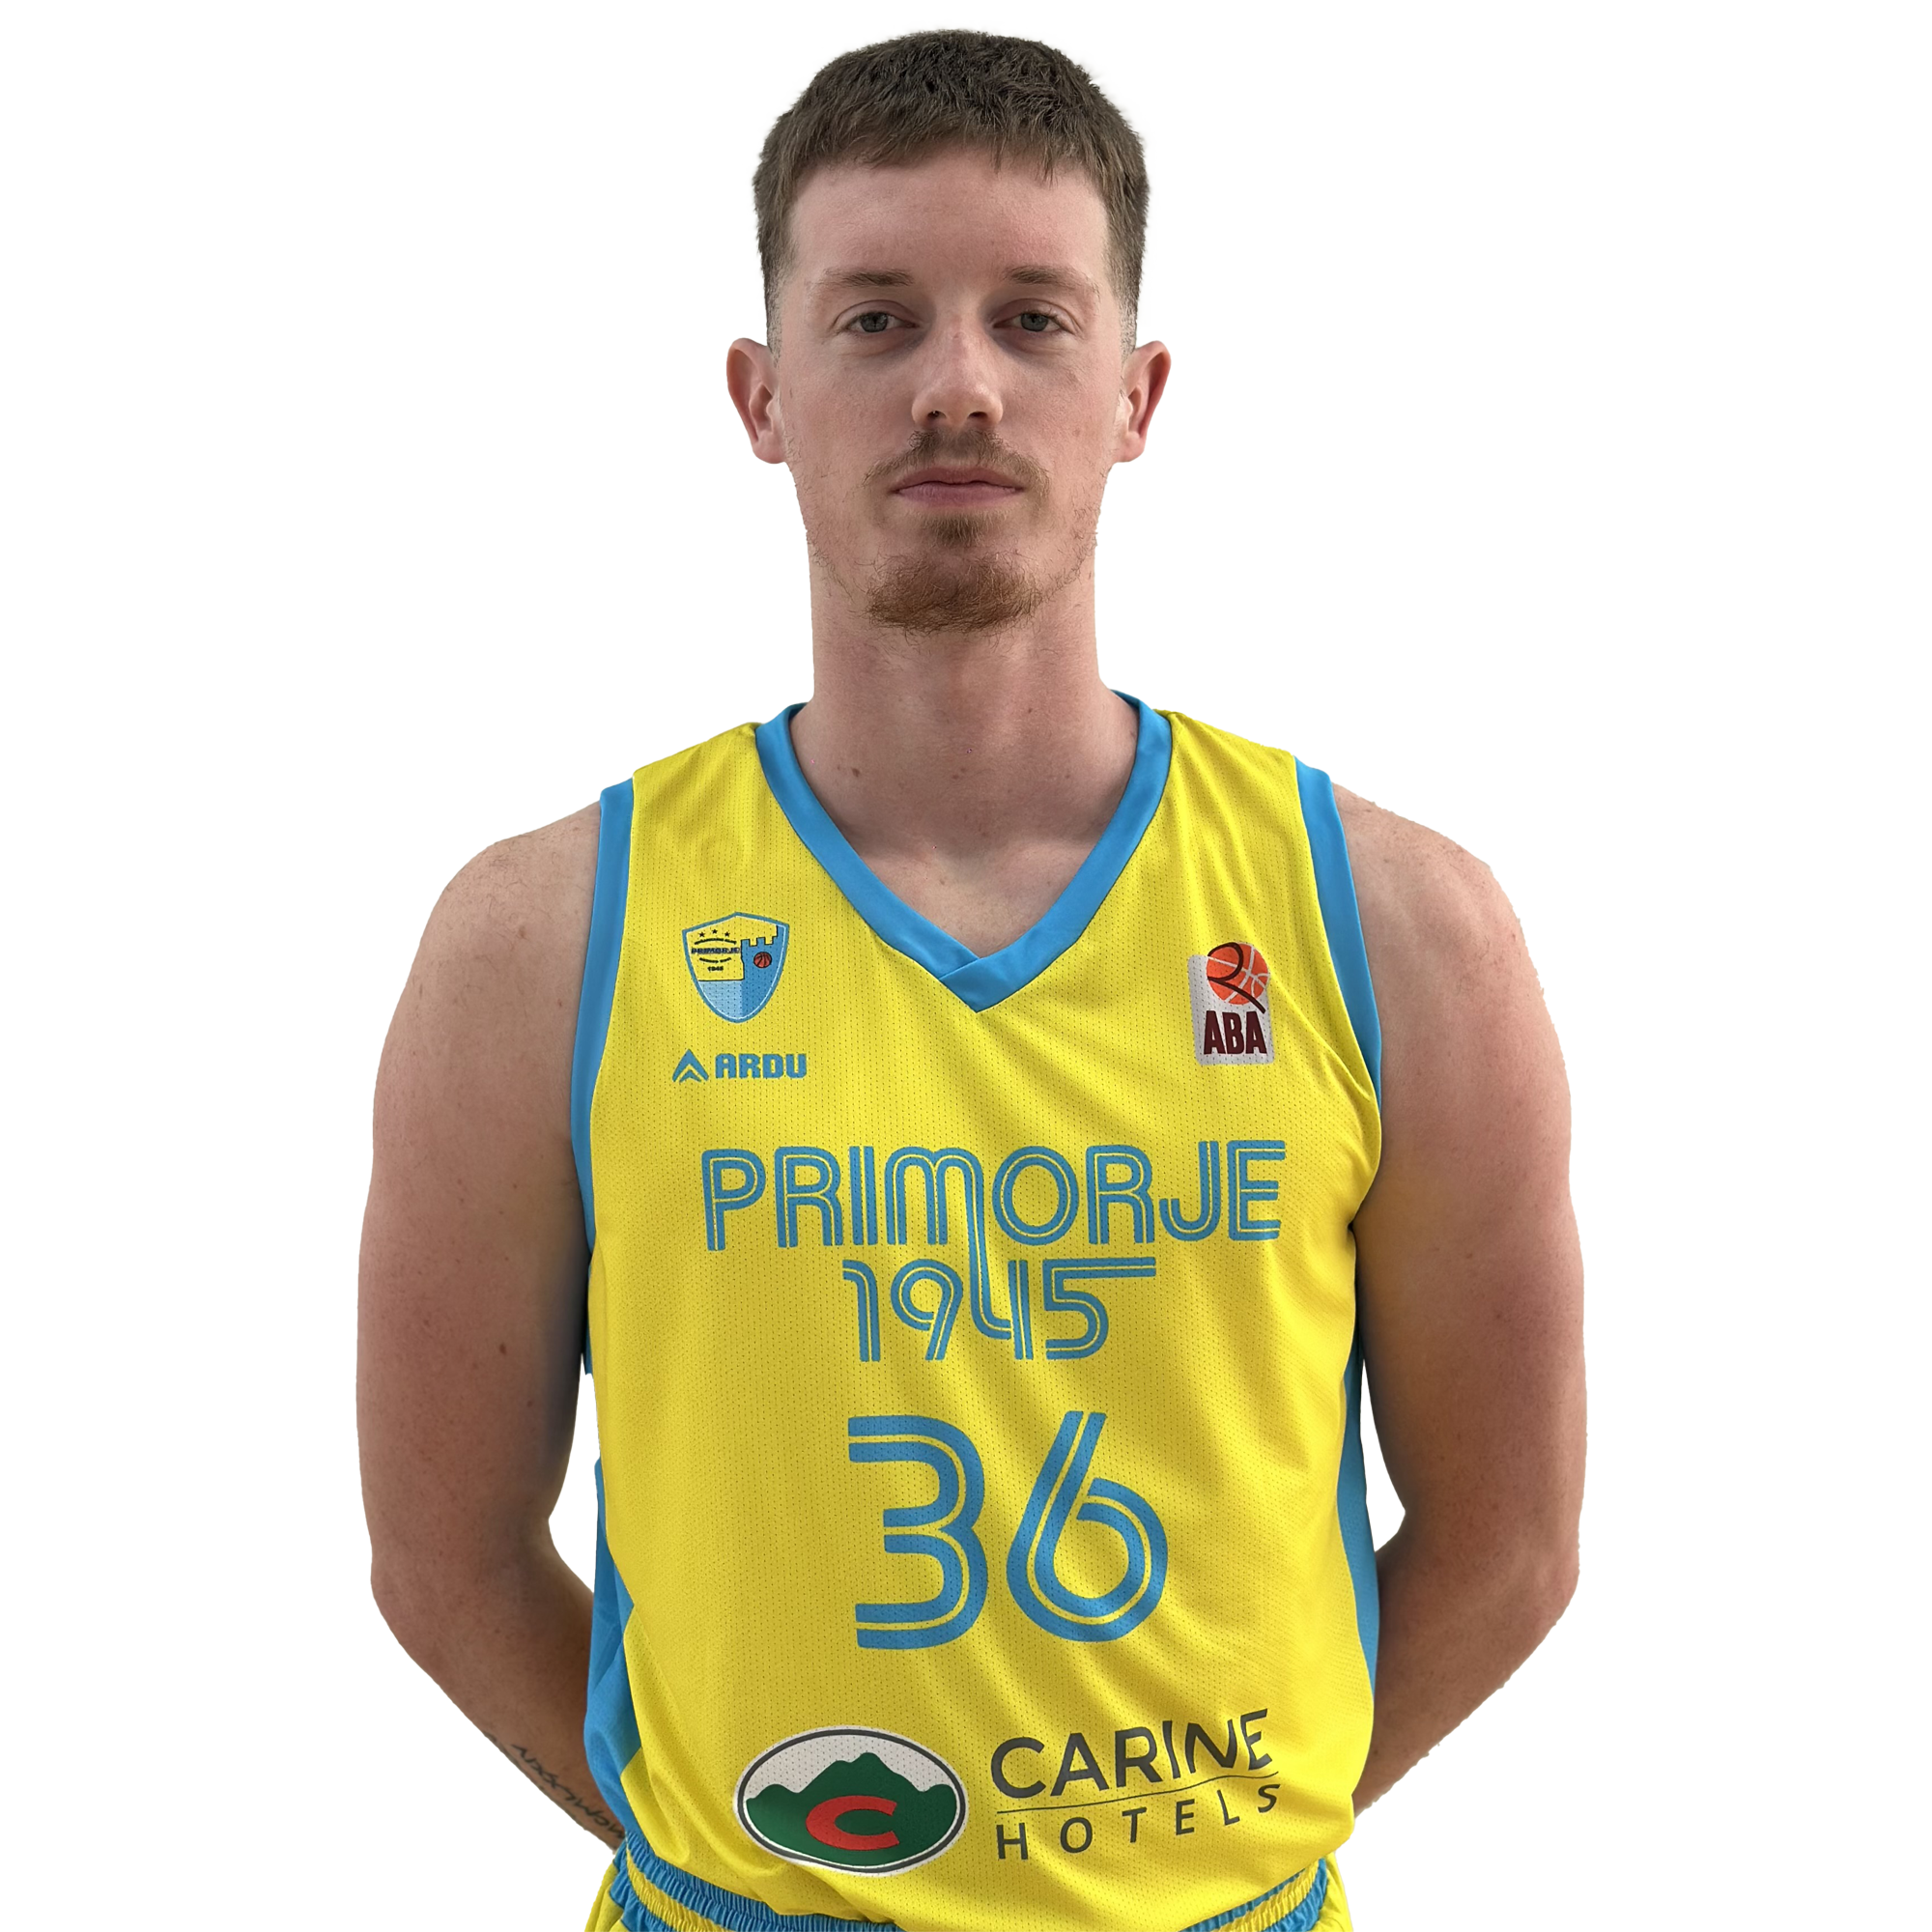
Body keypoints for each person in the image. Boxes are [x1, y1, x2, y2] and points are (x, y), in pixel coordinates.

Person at [358, 27, 1583, 1932]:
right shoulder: (541, 944)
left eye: (1033, 319)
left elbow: (1512, 1542)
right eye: (874, 320)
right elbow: (444, 1562)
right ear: (763, 395)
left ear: (1134, 393)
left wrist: (1191, 1868)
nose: (958, 385)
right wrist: (740, 1860)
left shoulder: (1401, 930)